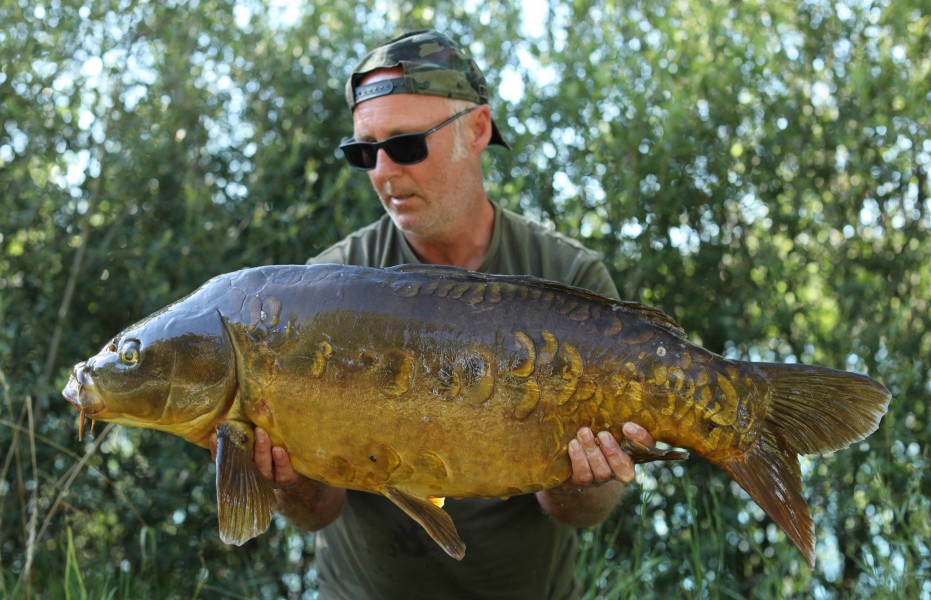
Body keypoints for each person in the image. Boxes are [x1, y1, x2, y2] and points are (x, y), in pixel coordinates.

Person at [220, 29, 656, 599]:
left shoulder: (568, 278)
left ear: (476, 130)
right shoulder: (323, 290)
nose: (381, 170)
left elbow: (580, 513)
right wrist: (285, 479)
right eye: (364, 151)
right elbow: (318, 514)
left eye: (404, 145)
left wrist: (585, 479)